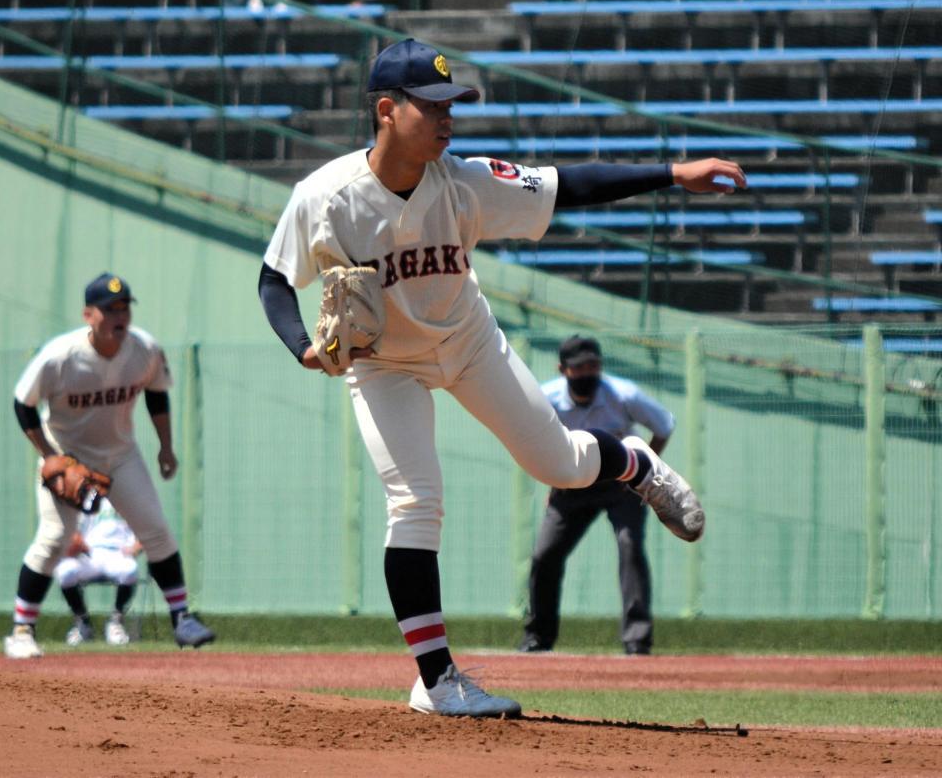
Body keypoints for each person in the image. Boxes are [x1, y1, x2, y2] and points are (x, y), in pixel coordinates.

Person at [258, 38, 744, 717]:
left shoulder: (464, 181)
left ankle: (631, 461)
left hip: (468, 341)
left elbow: (568, 183)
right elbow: (275, 278)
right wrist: (302, 345)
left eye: (453, 104)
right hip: (382, 364)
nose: (447, 118)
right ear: (387, 110)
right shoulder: (327, 196)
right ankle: (437, 681)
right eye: (432, 107)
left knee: (565, 464)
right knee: (415, 503)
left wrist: (673, 173)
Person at [4, 272, 215, 658]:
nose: (120, 316)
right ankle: (21, 631)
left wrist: (166, 448)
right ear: (89, 314)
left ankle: (182, 619)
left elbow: (156, 395)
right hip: (68, 458)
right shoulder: (60, 356)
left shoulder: (144, 349)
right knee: (54, 538)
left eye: (124, 308)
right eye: (110, 309)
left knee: (156, 531)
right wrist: (49, 455)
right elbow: (23, 404)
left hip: (120, 456)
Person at [519, 335, 676, 656]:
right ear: (562, 369)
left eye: (594, 365)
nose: (588, 373)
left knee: (629, 545)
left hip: (621, 483)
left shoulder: (622, 394)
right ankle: (537, 636)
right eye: (579, 367)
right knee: (544, 555)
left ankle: (637, 640)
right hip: (572, 483)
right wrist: (554, 478)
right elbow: (531, 440)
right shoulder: (546, 399)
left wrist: (643, 473)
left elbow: (664, 424)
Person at [54, 500, 143, 647]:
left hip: (118, 554)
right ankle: (82, 622)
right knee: (65, 571)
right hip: (90, 554)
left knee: (130, 570)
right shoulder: (86, 498)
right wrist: (75, 542)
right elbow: (73, 531)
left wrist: (135, 548)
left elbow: (147, 533)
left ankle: (115, 622)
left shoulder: (127, 496)